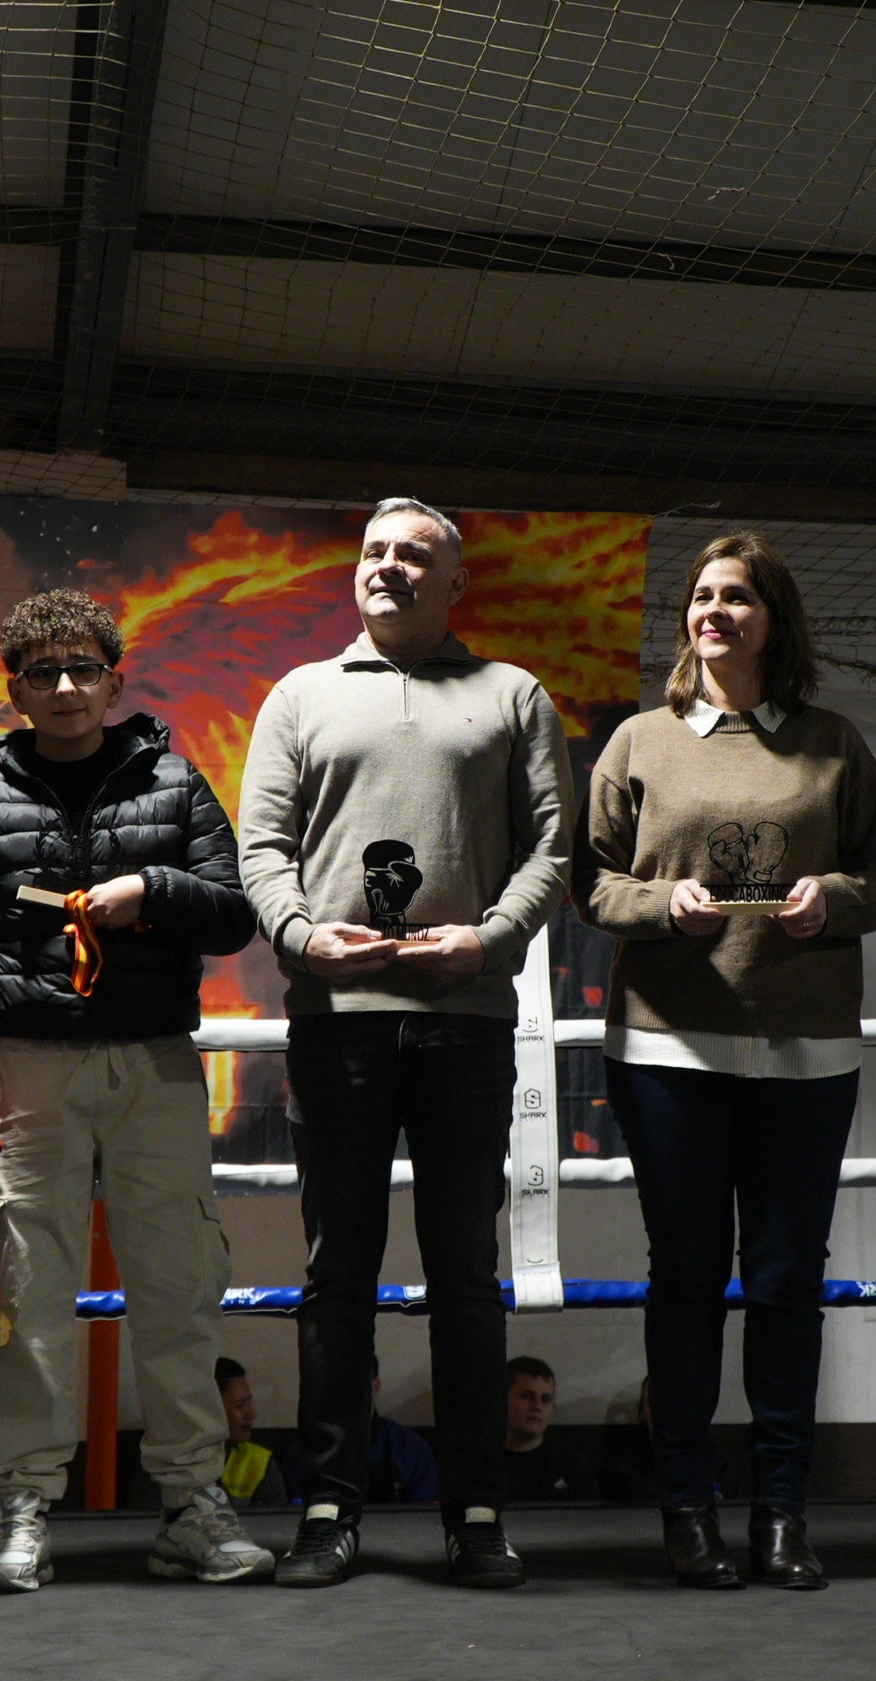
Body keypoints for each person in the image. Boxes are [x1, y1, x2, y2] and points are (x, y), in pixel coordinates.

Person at [0, 588, 271, 1590]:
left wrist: (150, 894)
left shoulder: (178, 786)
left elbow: (234, 915)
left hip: (152, 1059)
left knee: (180, 1286)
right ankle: (20, 1507)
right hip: (26, 1060)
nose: (65, 688)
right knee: (25, 1291)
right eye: (42, 672)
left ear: (115, 678)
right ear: (13, 688)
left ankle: (193, 1503)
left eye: (83, 669)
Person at [238, 495, 572, 1589]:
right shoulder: (300, 694)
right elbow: (262, 847)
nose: (387, 566)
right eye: (374, 551)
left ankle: (476, 1508)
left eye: (412, 554)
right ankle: (328, 1507)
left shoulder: (511, 694)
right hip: (338, 1028)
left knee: (466, 1280)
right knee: (338, 1279)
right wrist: (297, 934)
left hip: (466, 1028)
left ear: (453, 581)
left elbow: (552, 854)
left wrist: (482, 942)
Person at [574, 532, 876, 1589]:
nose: (714, 611)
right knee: (683, 1279)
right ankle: (685, 1507)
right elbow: (590, 881)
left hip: (805, 1051)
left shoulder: (832, 742)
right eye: (703, 596)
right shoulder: (637, 741)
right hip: (668, 1046)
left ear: (776, 620)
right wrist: (655, 903)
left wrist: (837, 899)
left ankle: (779, 1512)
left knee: (782, 1285)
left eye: (738, 596)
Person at [275, 1354, 439, 1505]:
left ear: (375, 1386)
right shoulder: (302, 1454)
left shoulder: (410, 1450)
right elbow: (294, 1517)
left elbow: (420, 1514)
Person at [502, 1356, 601, 1504]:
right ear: (501, 1400)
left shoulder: (573, 1467)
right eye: (527, 1397)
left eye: (546, 1399)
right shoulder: (480, 1466)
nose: (537, 1407)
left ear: (553, 1407)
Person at [217, 1358, 289, 1508]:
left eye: (249, 1403)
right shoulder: (177, 1461)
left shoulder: (258, 1461)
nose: (251, 1414)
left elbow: (276, 1525)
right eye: (239, 1406)